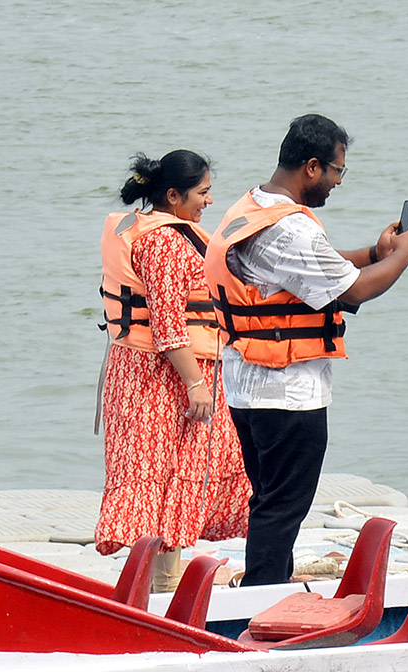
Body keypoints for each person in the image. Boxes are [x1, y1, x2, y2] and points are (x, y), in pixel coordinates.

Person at [206, 114, 408, 586]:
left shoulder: (252, 207)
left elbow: (309, 271)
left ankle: (268, 587)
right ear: (311, 167)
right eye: (337, 171)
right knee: (282, 508)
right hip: (287, 393)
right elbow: (354, 291)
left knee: (269, 501)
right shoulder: (293, 230)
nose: (337, 182)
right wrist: (403, 255)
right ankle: (262, 600)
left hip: (246, 386)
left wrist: (374, 251)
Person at [95, 150, 251, 591]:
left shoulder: (165, 233)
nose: (209, 200)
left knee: (173, 474)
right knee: (159, 474)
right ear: (173, 195)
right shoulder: (163, 243)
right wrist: (196, 384)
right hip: (162, 377)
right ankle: (159, 590)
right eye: (202, 193)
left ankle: (162, 583)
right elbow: (167, 325)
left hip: (152, 370)